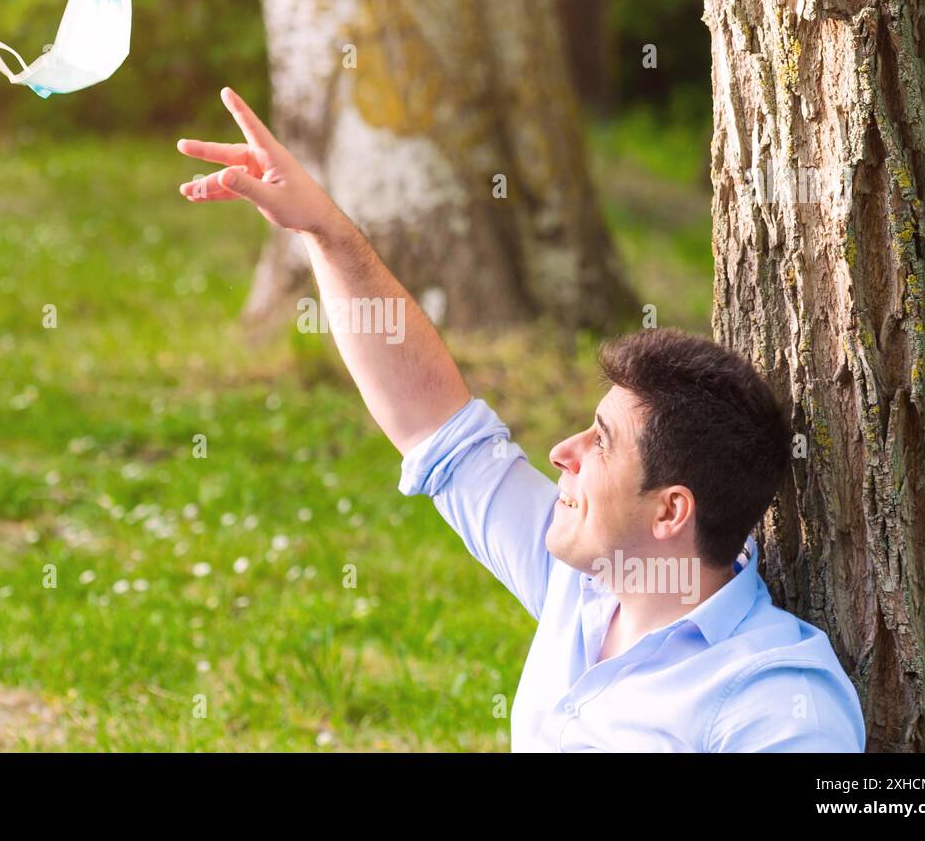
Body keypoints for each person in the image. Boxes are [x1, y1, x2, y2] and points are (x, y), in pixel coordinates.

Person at [175, 88, 866, 752]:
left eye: (601, 443)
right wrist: (324, 231)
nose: (563, 450)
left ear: (669, 513)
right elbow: (435, 427)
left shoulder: (772, 698)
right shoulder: (586, 582)